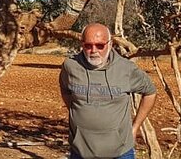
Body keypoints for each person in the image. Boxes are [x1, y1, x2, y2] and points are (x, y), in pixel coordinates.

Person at [59, 23, 157, 159]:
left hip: (120, 152)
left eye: (100, 45)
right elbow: (65, 90)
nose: (93, 50)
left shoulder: (126, 68)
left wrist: (135, 127)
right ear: (82, 44)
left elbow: (150, 92)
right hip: (80, 152)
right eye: (88, 45)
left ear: (110, 44)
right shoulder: (70, 66)